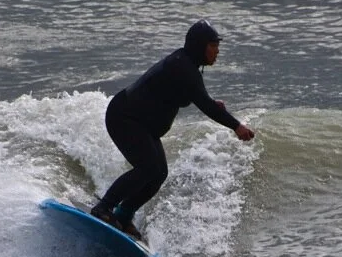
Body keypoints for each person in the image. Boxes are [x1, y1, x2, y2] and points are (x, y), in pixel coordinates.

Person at [91, 19, 255, 242]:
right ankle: (104, 207)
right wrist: (236, 126)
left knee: (158, 173)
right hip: (125, 117)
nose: (217, 51)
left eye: (218, 46)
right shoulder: (183, 67)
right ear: (199, 45)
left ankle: (124, 213)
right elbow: (204, 105)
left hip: (142, 124)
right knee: (147, 167)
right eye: (213, 45)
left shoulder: (187, 65)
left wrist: (209, 101)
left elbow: (193, 96)